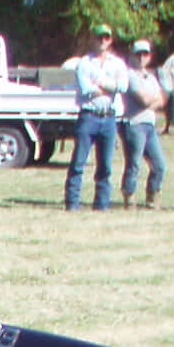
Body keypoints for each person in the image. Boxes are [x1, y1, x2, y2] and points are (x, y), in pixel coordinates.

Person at [65, 23, 128, 211]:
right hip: (88, 116)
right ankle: (72, 203)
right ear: (93, 39)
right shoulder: (84, 62)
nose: (102, 41)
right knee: (78, 162)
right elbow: (86, 90)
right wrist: (110, 87)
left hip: (109, 118)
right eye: (99, 37)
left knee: (105, 166)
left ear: (110, 40)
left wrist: (100, 83)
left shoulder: (118, 63)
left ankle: (102, 204)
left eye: (106, 37)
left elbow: (123, 86)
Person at [120, 38, 166, 208]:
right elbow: (144, 100)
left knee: (159, 164)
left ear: (149, 56)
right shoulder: (129, 75)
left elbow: (162, 100)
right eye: (138, 54)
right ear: (132, 55)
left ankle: (153, 195)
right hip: (134, 124)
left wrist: (151, 102)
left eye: (145, 54)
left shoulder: (151, 77)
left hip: (150, 125)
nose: (141, 58)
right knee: (134, 163)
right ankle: (129, 195)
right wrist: (152, 102)